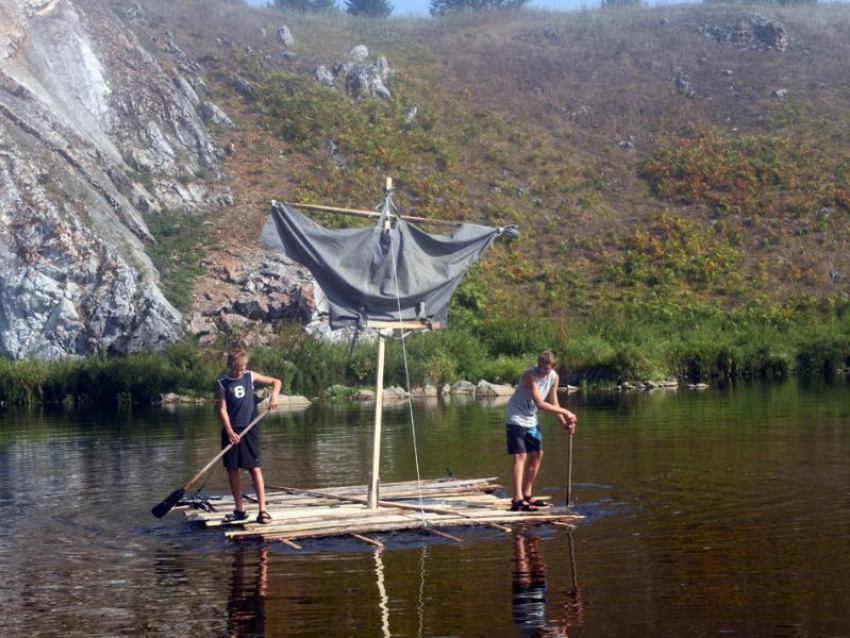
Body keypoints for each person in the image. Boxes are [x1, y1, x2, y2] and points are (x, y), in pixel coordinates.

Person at [505, 350, 576, 512]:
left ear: (553, 367)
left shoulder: (554, 377)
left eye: (547, 368)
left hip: (530, 419)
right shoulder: (530, 375)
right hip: (515, 417)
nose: (543, 370)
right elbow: (539, 403)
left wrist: (564, 423)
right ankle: (517, 499)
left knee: (537, 453)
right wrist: (566, 412)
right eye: (541, 367)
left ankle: (527, 495)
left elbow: (553, 401)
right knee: (520, 455)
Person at [216, 348, 281, 525]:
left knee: (254, 468)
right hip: (231, 430)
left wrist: (273, 397)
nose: (241, 371)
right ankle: (240, 509)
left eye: (244, 368)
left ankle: (262, 510)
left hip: (249, 428)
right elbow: (222, 408)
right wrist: (229, 431)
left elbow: (276, 382)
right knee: (232, 469)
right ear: (230, 366)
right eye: (238, 369)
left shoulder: (249, 376)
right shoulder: (222, 382)